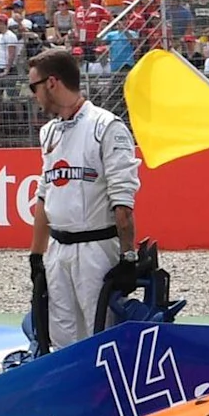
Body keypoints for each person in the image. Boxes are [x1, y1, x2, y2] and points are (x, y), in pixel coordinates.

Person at [27, 47, 141, 351]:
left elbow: (123, 200)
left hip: (97, 249)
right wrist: (36, 255)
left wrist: (128, 257)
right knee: (62, 339)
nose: (33, 95)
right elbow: (44, 195)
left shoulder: (107, 127)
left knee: (101, 336)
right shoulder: (49, 133)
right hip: (58, 250)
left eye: (34, 87)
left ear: (52, 83)